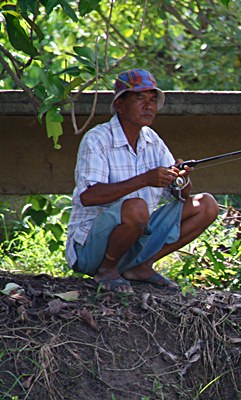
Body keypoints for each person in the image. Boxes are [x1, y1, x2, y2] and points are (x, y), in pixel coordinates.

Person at [65, 68, 218, 293]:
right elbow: (88, 197)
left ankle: (141, 266)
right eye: (140, 99)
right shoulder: (98, 139)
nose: (148, 106)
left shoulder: (152, 140)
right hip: (90, 248)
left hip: (134, 238)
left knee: (206, 205)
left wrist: (181, 180)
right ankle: (107, 270)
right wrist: (145, 179)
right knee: (136, 207)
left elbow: (178, 194)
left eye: (152, 100)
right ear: (119, 104)